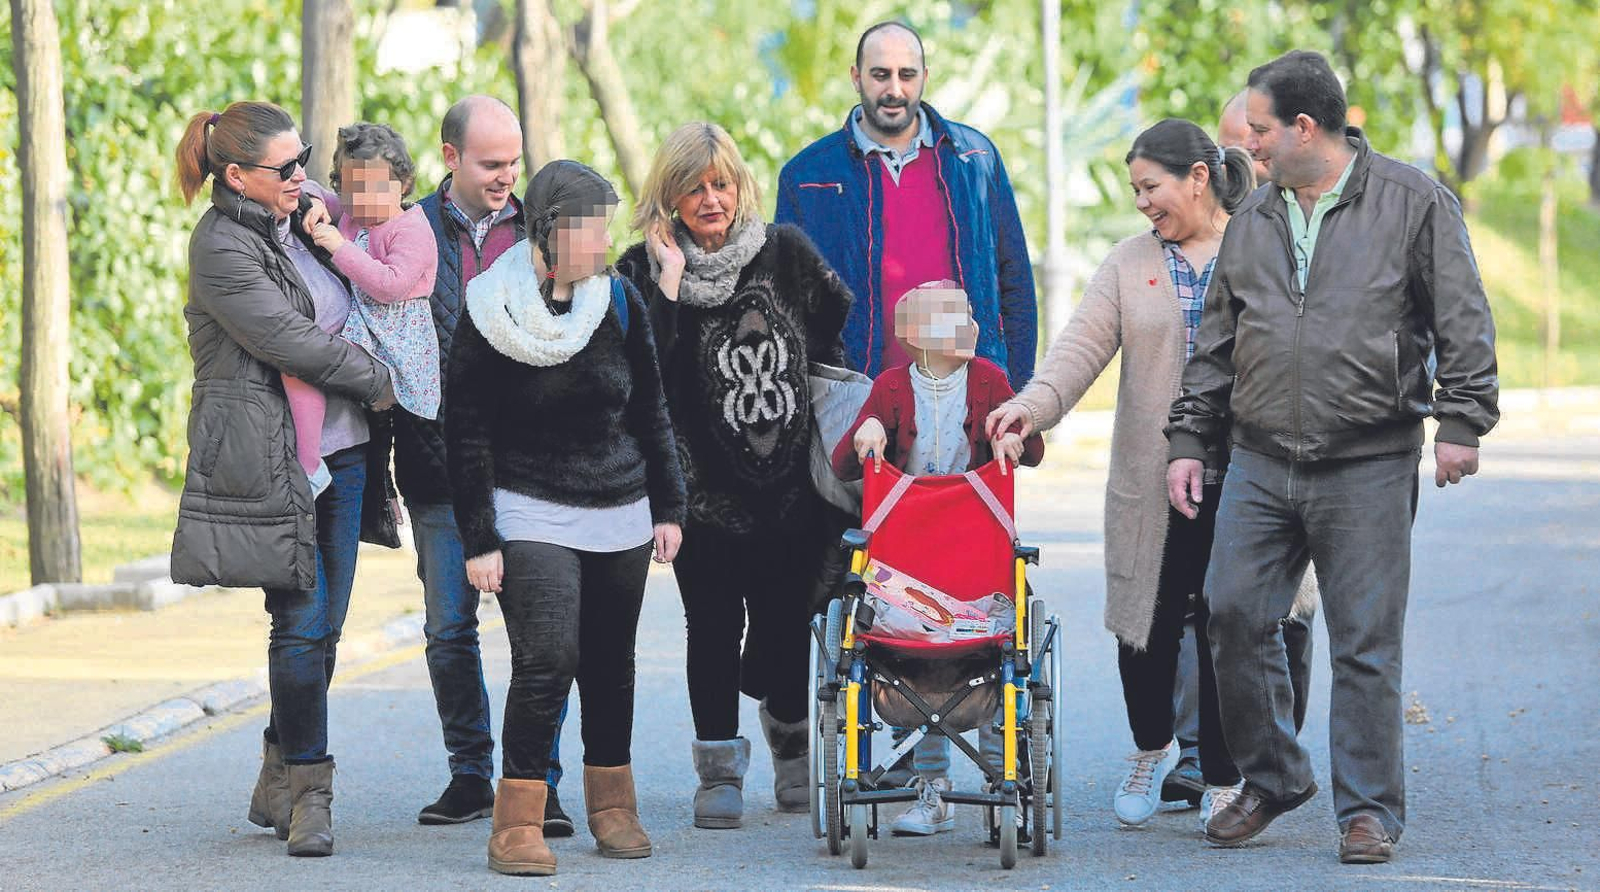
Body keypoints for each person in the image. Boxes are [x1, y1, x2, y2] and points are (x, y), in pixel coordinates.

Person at [1166, 50, 1499, 863]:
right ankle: (1274, 775)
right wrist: (1187, 441)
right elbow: (1216, 345)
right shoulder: (1253, 219)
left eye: (1260, 131)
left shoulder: (1412, 202)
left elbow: (1462, 316)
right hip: (1259, 453)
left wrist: (1462, 420)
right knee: (1232, 610)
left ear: (1306, 128)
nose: (1247, 147)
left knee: (1364, 641)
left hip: (1369, 458)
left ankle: (1369, 812)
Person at [987, 119, 1257, 832]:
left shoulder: (1254, 248)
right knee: (1145, 626)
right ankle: (1153, 746)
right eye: (1135, 189)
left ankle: (1227, 778)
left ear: (1198, 177)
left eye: (1151, 186)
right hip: (1153, 473)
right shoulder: (1129, 263)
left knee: (1227, 625)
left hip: (1246, 471)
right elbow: (1079, 350)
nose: (1142, 202)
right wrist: (1029, 410)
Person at [446, 160, 686, 876]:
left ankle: (612, 806)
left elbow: (651, 409)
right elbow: (466, 430)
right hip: (528, 506)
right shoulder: (492, 307)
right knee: (549, 657)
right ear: (551, 232)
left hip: (620, 508)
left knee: (611, 666)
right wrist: (480, 537)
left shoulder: (619, 303)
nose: (605, 241)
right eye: (592, 228)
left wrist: (668, 506)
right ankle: (516, 822)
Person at [172, 101, 395, 857]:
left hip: (349, 452)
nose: (304, 174)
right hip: (276, 457)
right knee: (299, 624)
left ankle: (276, 767)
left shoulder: (302, 217)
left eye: (304, 158)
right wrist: (382, 379)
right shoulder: (221, 247)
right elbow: (288, 339)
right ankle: (311, 796)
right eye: (287, 167)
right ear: (236, 176)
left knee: (325, 630)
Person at [614, 122, 853, 830]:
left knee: (786, 629)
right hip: (700, 496)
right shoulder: (639, 270)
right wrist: (669, 285)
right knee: (712, 629)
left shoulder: (785, 252)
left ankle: (786, 734)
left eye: (720, 183)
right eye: (693, 186)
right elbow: (639, 373)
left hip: (793, 495)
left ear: (739, 185)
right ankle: (718, 770)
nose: (711, 199)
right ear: (669, 198)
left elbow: (832, 334)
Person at [397, 96, 575, 832]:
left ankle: (537, 782)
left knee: (542, 636)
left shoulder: (546, 228)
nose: (509, 176)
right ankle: (470, 773)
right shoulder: (407, 232)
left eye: (514, 161)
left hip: (531, 472)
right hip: (438, 467)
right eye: (492, 163)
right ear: (450, 158)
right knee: (448, 629)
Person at [832, 281, 1043, 836]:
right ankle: (933, 790)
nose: (970, 326)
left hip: (976, 544)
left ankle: (1004, 780)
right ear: (912, 337)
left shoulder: (990, 380)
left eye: (968, 315)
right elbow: (842, 465)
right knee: (919, 665)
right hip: (906, 550)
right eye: (954, 317)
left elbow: (1034, 448)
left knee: (998, 658)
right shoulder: (891, 386)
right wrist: (867, 429)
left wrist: (1013, 433)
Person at [1164, 91, 1319, 805]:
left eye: (1250, 142)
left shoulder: (1305, 221)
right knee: (1216, 606)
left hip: (1297, 445)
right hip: (1213, 445)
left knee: (1290, 610)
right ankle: (1205, 755)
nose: (1243, 159)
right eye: (1229, 146)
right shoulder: (1213, 239)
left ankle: (1273, 755)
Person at [776, 20, 1037, 388]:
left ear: (925, 77)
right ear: (856, 77)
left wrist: (1020, 396)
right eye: (880, 75)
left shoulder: (976, 159)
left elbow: (1015, 283)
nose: (894, 89)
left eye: (907, 75)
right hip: (857, 398)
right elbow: (788, 307)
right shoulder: (806, 176)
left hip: (969, 396)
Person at [277, 123, 439, 503]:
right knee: (302, 367)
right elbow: (312, 190)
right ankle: (310, 460)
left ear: (403, 183)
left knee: (309, 364)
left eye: (378, 188)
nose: (365, 200)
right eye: (353, 191)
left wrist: (338, 246)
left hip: (395, 341)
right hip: (363, 329)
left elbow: (389, 286)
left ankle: (315, 466)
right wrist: (317, 202)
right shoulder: (351, 213)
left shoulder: (411, 228)